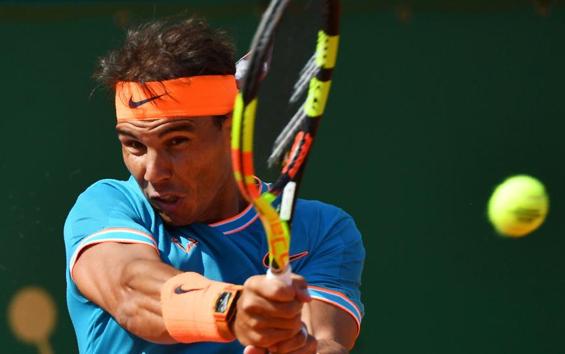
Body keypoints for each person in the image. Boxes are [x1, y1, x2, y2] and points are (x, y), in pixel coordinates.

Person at [63, 17, 365, 354]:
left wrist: (296, 347)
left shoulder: (321, 231)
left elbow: (328, 342)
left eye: (177, 141)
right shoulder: (107, 207)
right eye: (134, 146)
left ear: (232, 129)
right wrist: (232, 309)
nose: (153, 172)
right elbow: (133, 293)